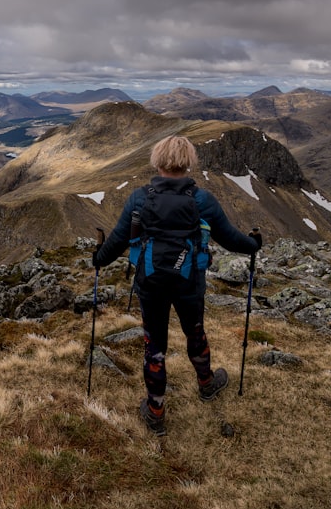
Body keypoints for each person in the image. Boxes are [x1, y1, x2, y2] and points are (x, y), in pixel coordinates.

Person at [92, 135, 261, 435]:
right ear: (188, 162)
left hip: (150, 282)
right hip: (189, 283)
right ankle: (207, 384)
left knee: (154, 345)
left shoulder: (140, 198)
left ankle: (155, 411)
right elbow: (230, 237)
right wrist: (253, 245)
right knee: (195, 332)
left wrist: (98, 259)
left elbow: (118, 240)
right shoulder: (202, 200)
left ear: (157, 161)